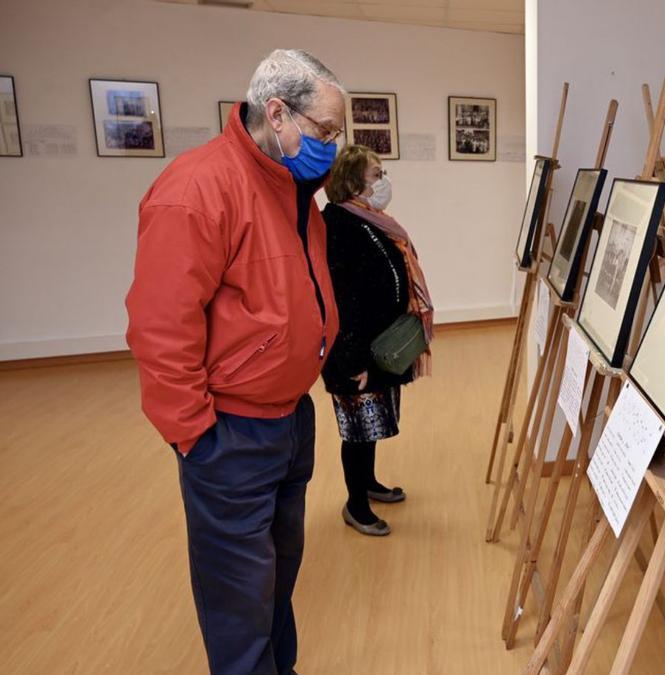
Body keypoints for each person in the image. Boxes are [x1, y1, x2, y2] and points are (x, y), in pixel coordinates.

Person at [126, 49, 345, 674]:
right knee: (238, 596)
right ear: (277, 113)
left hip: (287, 420)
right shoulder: (198, 188)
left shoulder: (292, 187)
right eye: (325, 130)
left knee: (275, 577)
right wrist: (197, 438)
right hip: (229, 433)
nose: (332, 146)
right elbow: (159, 330)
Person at [321, 145, 435, 536]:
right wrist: (356, 362)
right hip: (354, 354)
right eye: (377, 174)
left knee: (370, 427)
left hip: (377, 348)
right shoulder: (338, 224)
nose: (384, 181)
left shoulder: (368, 218)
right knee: (356, 430)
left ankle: (367, 484)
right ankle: (355, 505)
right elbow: (342, 300)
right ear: (352, 180)